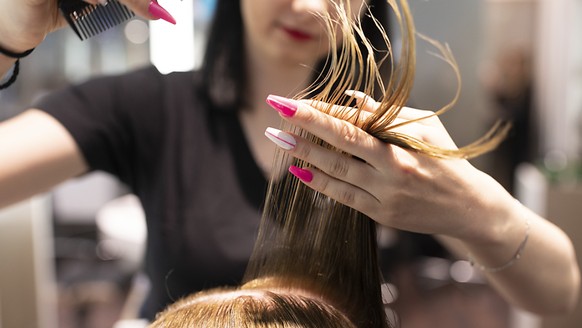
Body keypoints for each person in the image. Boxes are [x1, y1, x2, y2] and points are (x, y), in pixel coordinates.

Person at [0, 0, 579, 323]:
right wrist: (5, 36)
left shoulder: (394, 142)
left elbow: (560, 294)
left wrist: (475, 210)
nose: (305, 5)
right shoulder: (148, 109)